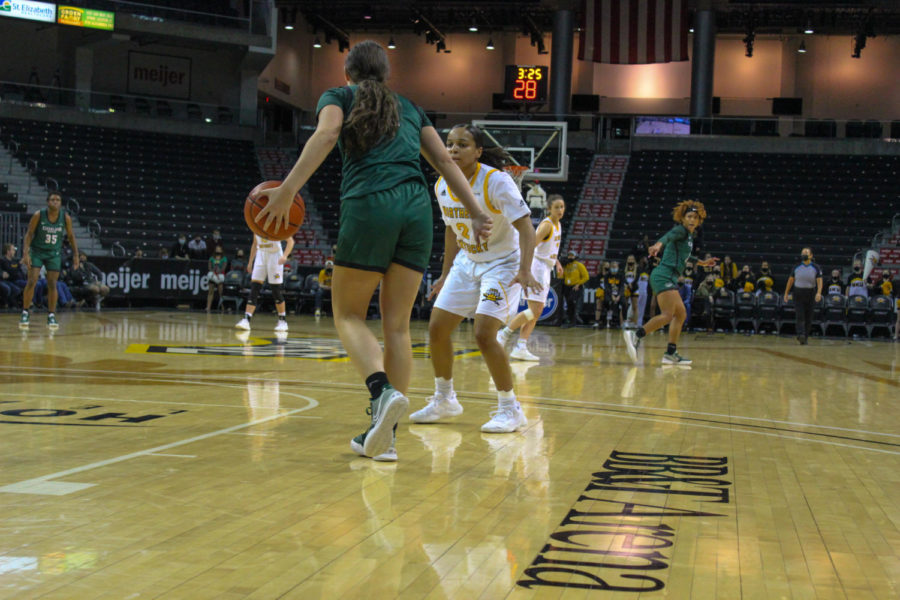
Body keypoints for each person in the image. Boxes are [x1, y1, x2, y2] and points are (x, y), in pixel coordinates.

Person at [253, 41, 492, 461]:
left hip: (370, 204)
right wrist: (475, 212)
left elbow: (327, 134)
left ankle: (380, 393)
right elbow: (445, 163)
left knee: (347, 314)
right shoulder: (411, 107)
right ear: (386, 75)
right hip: (417, 210)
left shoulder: (339, 97)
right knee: (397, 327)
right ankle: (387, 439)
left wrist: (286, 190)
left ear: (347, 73)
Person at [408, 123, 537, 433]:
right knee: (437, 327)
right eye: (449, 144)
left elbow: (527, 229)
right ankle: (444, 400)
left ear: (479, 151)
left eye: (462, 144)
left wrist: (524, 270)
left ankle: (511, 409)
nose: (453, 149)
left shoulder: (497, 182)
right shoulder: (442, 184)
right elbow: (452, 231)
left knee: (483, 333)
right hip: (468, 263)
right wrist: (444, 273)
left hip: (503, 264)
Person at [622, 200, 718, 365]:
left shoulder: (688, 238)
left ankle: (670, 353)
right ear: (682, 218)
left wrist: (703, 263)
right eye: (689, 216)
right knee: (668, 315)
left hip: (669, 277)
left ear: (699, 220)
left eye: (695, 217)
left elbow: (687, 257)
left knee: (681, 314)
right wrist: (658, 245)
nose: (692, 220)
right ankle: (636, 335)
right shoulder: (680, 230)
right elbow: (668, 236)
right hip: (663, 276)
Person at [496, 194, 564, 361]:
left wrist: (557, 262)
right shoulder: (547, 226)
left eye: (562, 207)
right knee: (535, 310)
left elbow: (548, 248)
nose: (560, 210)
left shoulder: (558, 224)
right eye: (556, 207)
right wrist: (526, 269)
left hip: (546, 267)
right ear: (549, 209)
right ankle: (503, 334)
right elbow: (531, 244)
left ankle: (521, 346)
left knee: (536, 311)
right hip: (537, 267)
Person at [19, 191, 80, 330]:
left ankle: (51, 315)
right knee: (32, 280)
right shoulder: (39, 215)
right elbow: (29, 234)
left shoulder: (65, 217)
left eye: (58, 200)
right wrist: (25, 253)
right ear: (48, 202)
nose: (55, 202)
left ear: (60, 203)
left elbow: (71, 236)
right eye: (52, 199)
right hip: (37, 252)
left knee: (52, 283)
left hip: (54, 253)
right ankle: (25, 311)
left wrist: (76, 255)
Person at [235, 234, 294, 331]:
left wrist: (285, 256)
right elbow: (254, 244)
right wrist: (250, 262)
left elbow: (291, 241)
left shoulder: (276, 226)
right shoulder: (256, 226)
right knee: (254, 287)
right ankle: (246, 319)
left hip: (275, 256)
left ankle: (282, 320)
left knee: (276, 290)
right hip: (261, 255)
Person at [783, 247, 822, 345]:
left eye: (806, 253)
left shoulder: (816, 267)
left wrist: (819, 292)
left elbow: (819, 281)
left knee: (808, 317)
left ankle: (805, 337)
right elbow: (791, 280)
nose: (804, 254)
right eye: (803, 253)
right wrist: (786, 293)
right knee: (800, 315)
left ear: (811, 255)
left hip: (810, 293)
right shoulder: (796, 267)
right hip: (798, 293)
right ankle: (801, 334)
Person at [561, 250, 589, 327]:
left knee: (572, 302)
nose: (570, 257)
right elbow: (562, 276)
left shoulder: (579, 265)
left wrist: (578, 284)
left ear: (575, 256)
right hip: (567, 286)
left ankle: (573, 321)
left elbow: (586, 277)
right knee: (569, 304)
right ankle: (570, 320)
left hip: (575, 287)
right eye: (569, 255)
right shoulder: (565, 265)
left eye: (572, 255)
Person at [0, 243, 25, 308]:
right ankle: (5, 304)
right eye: (13, 250)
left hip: (12, 280)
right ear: (8, 251)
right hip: (6, 280)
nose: (14, 251)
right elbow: (11, 271)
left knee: (17, 290)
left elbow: (14, 270)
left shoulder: (14, 261)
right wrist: (19, 265)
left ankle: (13, 304)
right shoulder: (3, 260)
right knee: (8, 289)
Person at [206, 245, 227, 312]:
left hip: (220, 275)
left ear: (221, 250)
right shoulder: (211, 258)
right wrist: (213, 271)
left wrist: (218, 272)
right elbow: (209, 267)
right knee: (210, 291)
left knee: (220, 292)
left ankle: (223, 307)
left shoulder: (224, 258)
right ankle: (208, 307)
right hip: (213, 275)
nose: (218, 250)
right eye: (217, 249)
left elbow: (224, 267)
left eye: (219, 249)